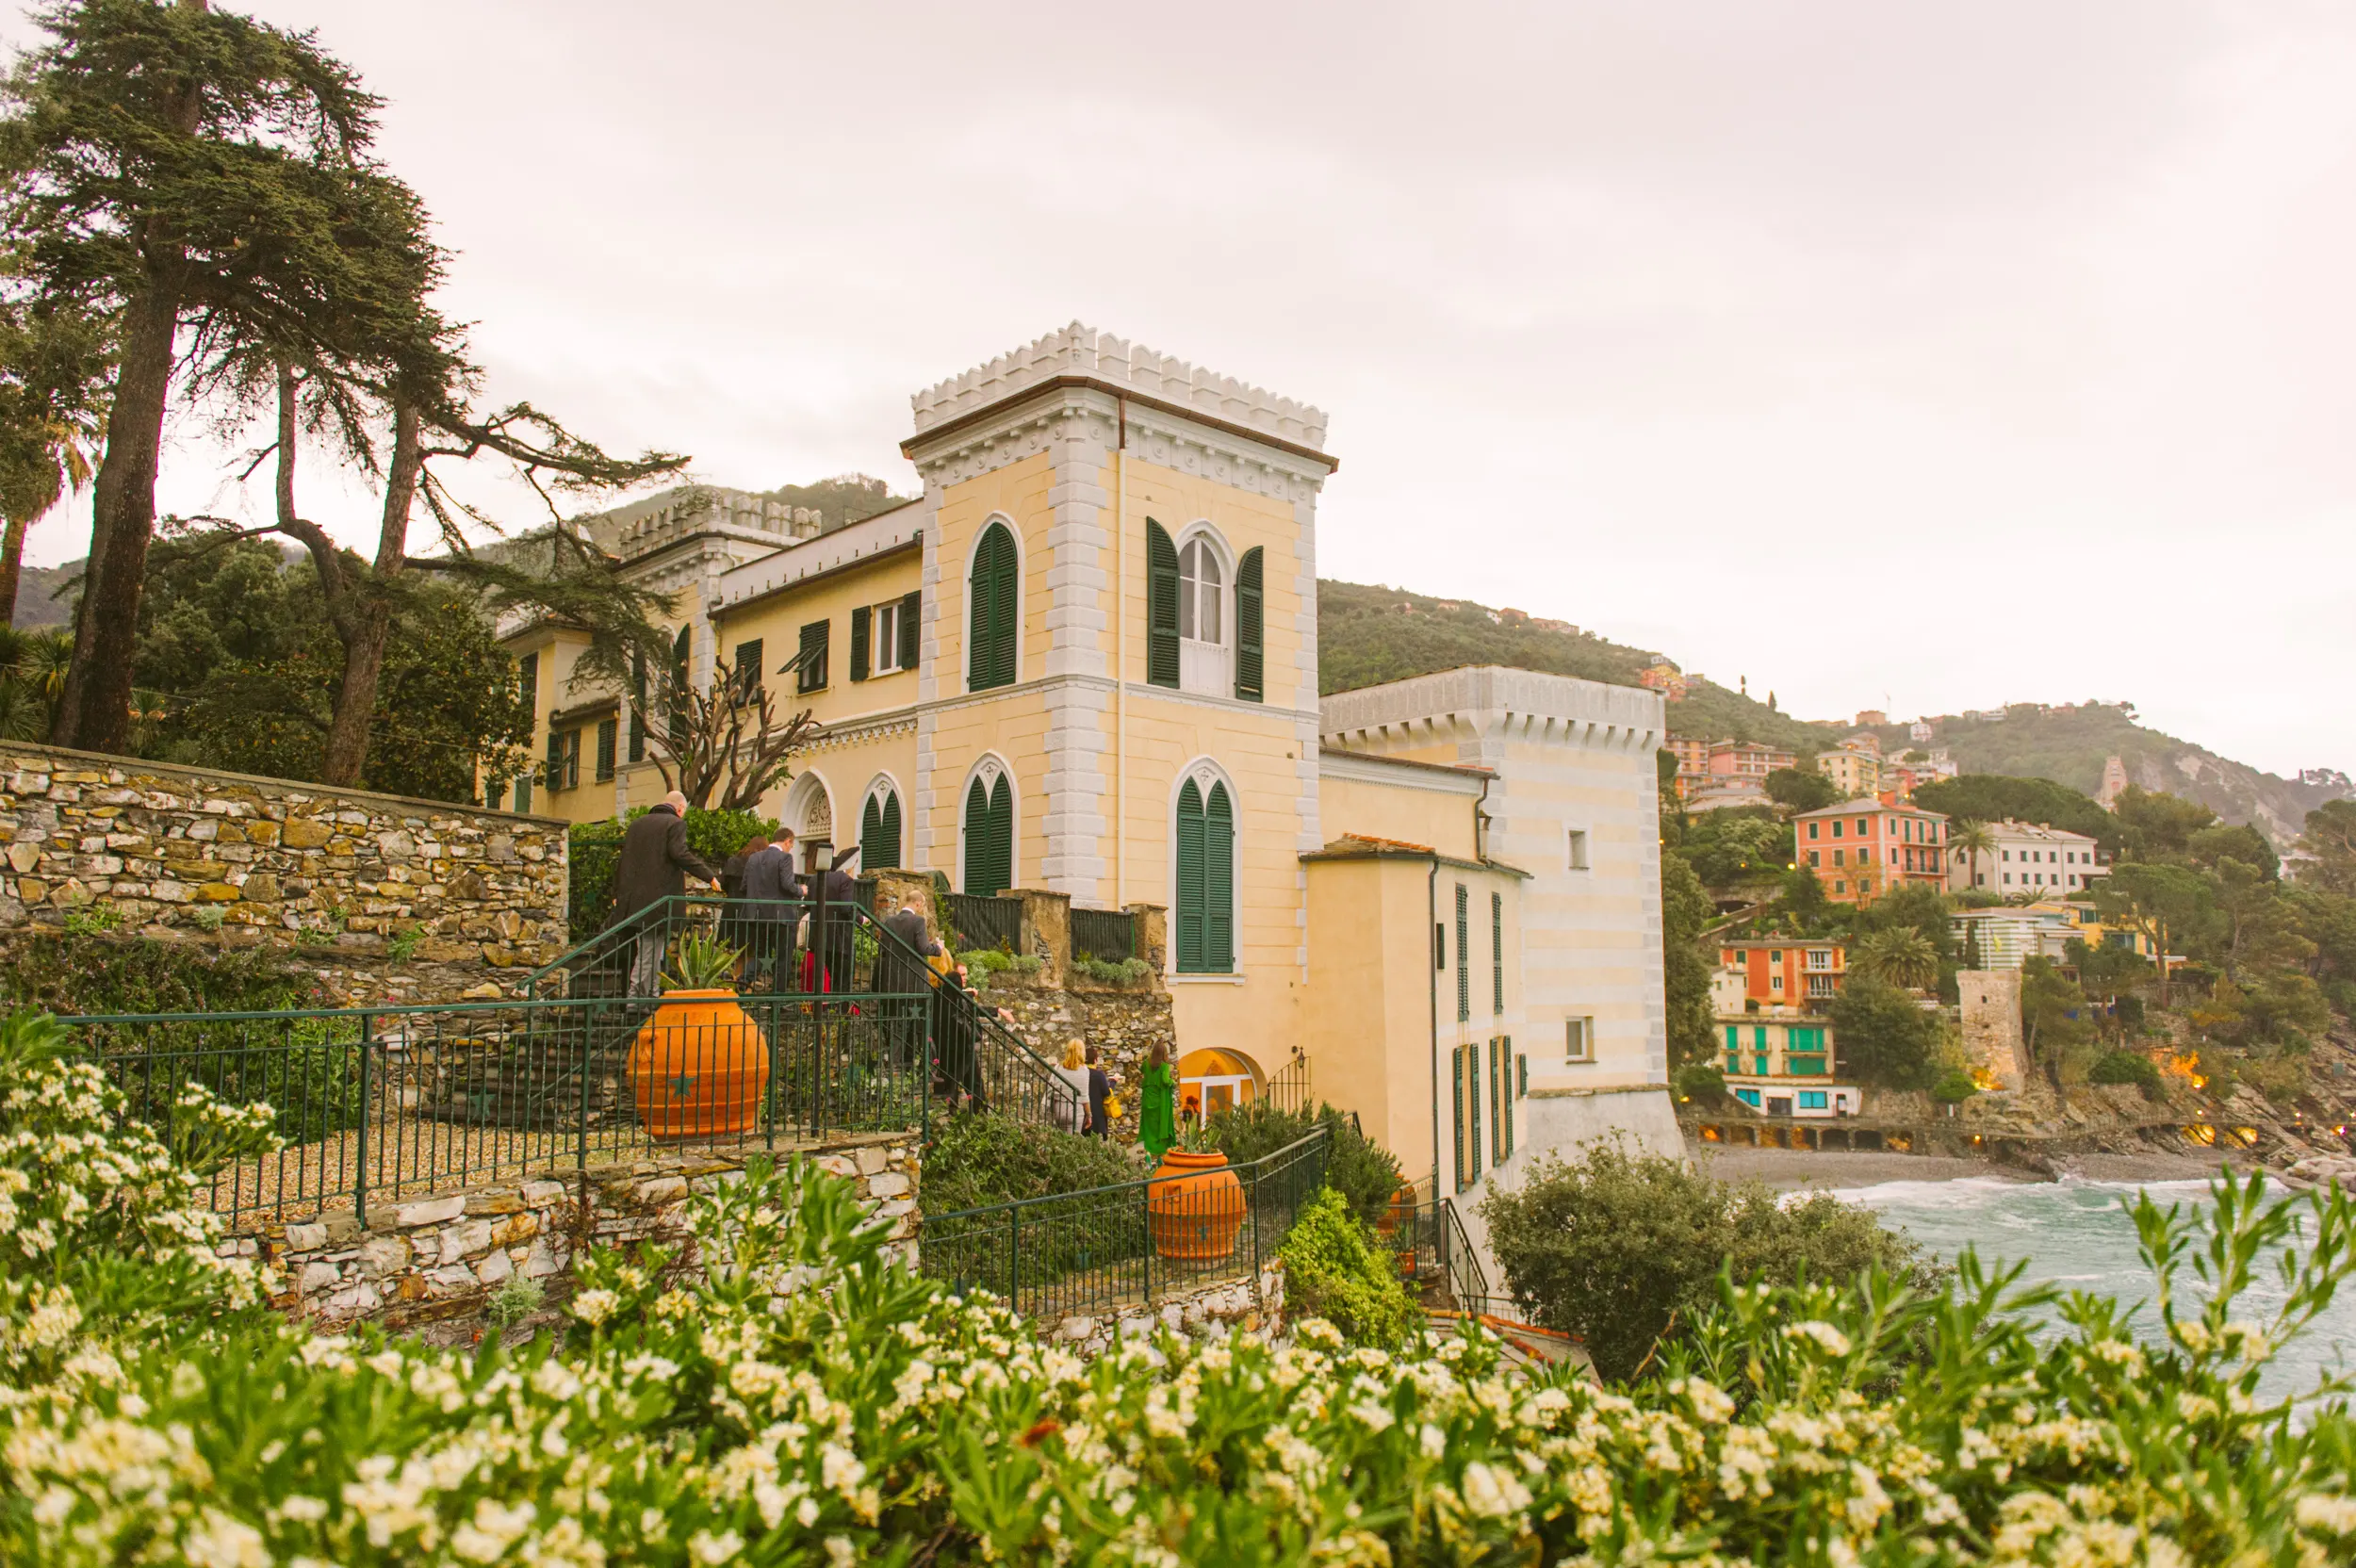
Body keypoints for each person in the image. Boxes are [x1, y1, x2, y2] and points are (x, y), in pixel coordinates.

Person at [614, 791, 721, 996]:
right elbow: (680, 853)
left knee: (649, 952)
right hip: (659, 902)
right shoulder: (675, 824)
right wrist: (709, 876)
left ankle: (649, 995)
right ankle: (637, 998)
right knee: (650, 952)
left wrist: (617, 891)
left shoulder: (637, 825)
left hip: (633, 901)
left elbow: (623, 861)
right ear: (680, 809)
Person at [739, 832, 799, 988]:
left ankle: (741, 985)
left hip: (757, 915)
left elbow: (744, 886)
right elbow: (787, 884)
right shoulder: (785, 858)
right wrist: (801, 890)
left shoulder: (754, 858)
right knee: (782, 958)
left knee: (760, 954)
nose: (790, 849)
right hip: (781, 916)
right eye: (791, 846)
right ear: (787, 841)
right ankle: (776, 1001)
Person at [1137, 1040, 1177, 1160]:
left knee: (1149, 1127)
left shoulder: (1146, 1064)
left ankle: (1149, 1152)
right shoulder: (1164, 1066)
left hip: (1147, 1100)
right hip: (1159, 1102)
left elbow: (1141, 1069)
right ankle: (1159, 1154)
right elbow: (1165, 1080)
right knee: (1160, 1127)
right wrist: (1172, 1082)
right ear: (1164, 1053)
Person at [1051, 1039, 1091, 1134]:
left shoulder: (1058, 1067)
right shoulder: (1084, 1070)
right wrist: (1089, 1115)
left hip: (1059, 1108)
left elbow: (1052, 1088)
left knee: (1061, 1141)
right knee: (1073, 1143)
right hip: (1075, 1110)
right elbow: (1084, 1097)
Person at [1084, 1044, 1111, 1138]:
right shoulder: (1099, 1075)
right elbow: (1106, 1092)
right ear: (1095, 1060)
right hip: (1096, 1113)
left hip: (1082, 1113)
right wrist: (1113, 1082)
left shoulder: (1080, 1073)